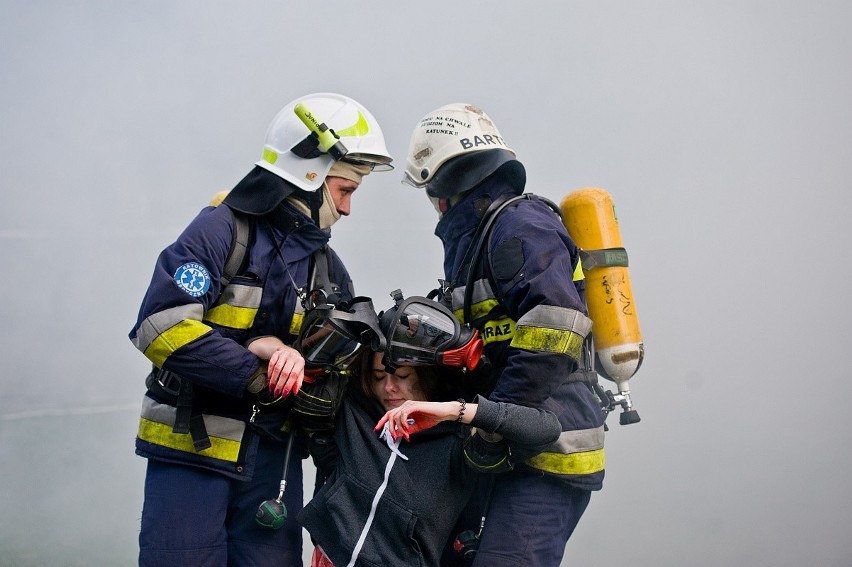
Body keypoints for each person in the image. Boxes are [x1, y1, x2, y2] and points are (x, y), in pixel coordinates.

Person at [128, 92, 393, 566]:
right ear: (310, 175)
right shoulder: (217, 231)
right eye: (345, 190)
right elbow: (160, 326)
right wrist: (258, 376)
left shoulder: (328, 270)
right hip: (193, 457)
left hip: (276, 467)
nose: (348, 209)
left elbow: (342, 380)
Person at [402, 103, 607, 566]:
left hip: (547, 456)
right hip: (502, 448)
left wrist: (497, 420)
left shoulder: (519, 226)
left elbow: (555, 325)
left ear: (442, 182)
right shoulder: (476, 238)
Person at [249, 294, 563, 567]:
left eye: (402, 375)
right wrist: (282, 351)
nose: (388, 387)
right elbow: (253, 346)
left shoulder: (458, 441)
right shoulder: (354, 410)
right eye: (376, 376)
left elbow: (546, 429)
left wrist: (452, 410)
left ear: (425, 374)